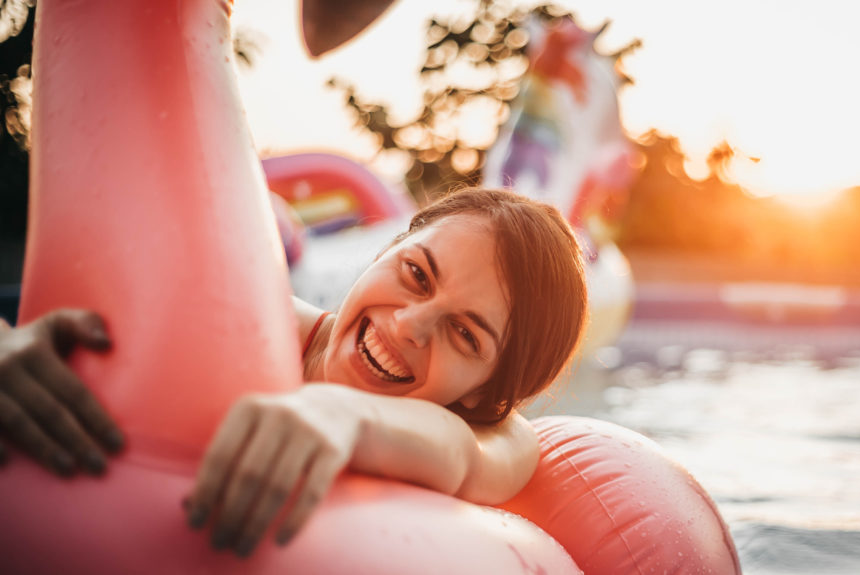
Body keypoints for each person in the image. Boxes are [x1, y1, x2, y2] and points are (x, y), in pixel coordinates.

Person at [0, 188, 588, 558]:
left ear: (490, 391)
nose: (411, 324)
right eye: (416, 273)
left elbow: (470, 452)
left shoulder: (496, 436)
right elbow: (73, 318)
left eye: (465, 334)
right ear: (386, 250)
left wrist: (342, 413)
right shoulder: (245, 322)